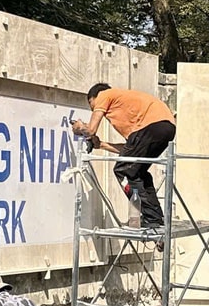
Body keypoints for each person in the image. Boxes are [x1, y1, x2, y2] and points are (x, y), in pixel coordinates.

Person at [71, 82, 177, 231]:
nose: (93, 110)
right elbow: (129, 150)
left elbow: (90, 130)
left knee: (123, 170)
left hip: (152, 127)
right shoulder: (129, 108)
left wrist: (81, 128)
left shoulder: (104, 94)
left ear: (94, 97)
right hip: (167, 128)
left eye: (92, 106)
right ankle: (155, 217)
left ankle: (151, 218)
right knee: (138, 172)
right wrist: (101, 144)